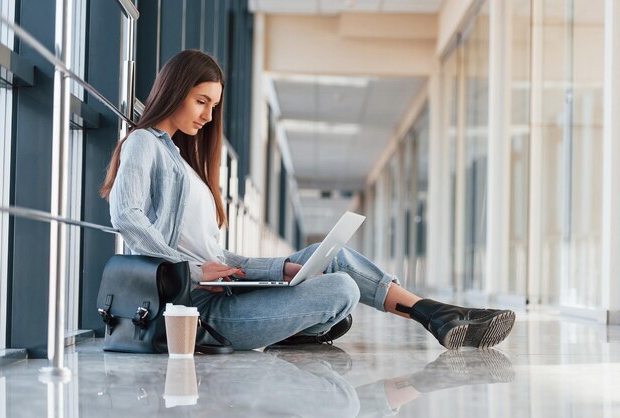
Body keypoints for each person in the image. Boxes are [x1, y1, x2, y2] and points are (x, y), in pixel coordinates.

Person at [101, 50, 515, 351]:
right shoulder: (144, 144)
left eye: (214, 105)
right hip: (198, 313)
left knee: (327, 254)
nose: (209, 116)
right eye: (201, 102)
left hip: (220, 292)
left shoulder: (184, 164)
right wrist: (191, 269)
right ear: (175, 91)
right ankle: (428, 315)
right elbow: (127, 216)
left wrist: (278, 268)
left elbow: (218, 256)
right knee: (340, 289)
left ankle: (437, 313)